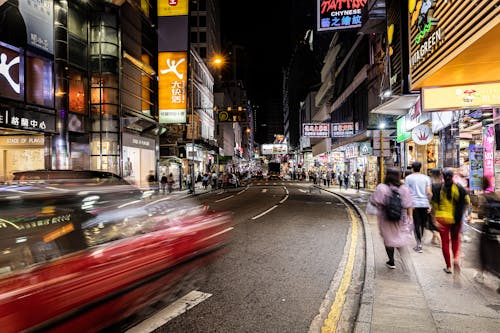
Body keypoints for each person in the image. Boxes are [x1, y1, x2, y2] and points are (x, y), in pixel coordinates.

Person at [369, 167, 414, 269]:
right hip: (400, 218)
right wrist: (410, 216)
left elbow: (375, 201)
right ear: (399, 176)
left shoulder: (381, 187)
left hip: (385, 219)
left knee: (388, 238)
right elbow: (409, 204)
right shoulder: (404, 188)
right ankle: (403, 256)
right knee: (399, 235)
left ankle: (391, 261)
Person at [431, 168, 471, 274]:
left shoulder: (438, 188)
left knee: (444, 243)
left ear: (442, 177)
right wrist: (464, 213)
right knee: (455, 241)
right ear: (453, 176)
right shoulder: (459, 188)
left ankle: (448, 267)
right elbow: (467, 201)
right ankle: (456, 259)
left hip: (442, 219)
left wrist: (434, 219)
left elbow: (434, 205)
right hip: (455, 219)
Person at [404, 161, 432, 253]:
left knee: (416, 224)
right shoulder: (426, 178)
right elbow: (429, 193)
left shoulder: (408, 178)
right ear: (421, 168)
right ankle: (420, 241)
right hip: (424, 204)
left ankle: (419, 244)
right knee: (423, 224)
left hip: (414, 204)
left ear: (412, 168)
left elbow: (406, 192)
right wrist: (429, 204)